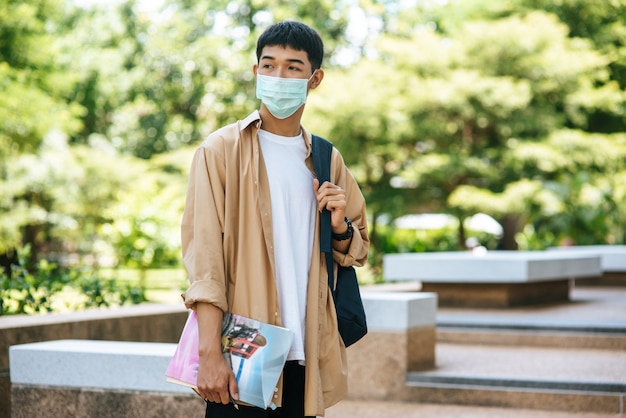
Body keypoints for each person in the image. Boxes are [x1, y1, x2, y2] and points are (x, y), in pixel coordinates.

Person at [180, 21, 369, 418]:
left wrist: (339, 227)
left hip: (307, 351)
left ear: (314, 79)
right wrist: (208, 354)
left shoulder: (326, 158)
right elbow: (206, 261)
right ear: (255, 72)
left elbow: (359, 245)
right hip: (244, 349)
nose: (278, 76)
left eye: (293, 67)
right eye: (269, 65)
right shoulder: (221, 151)